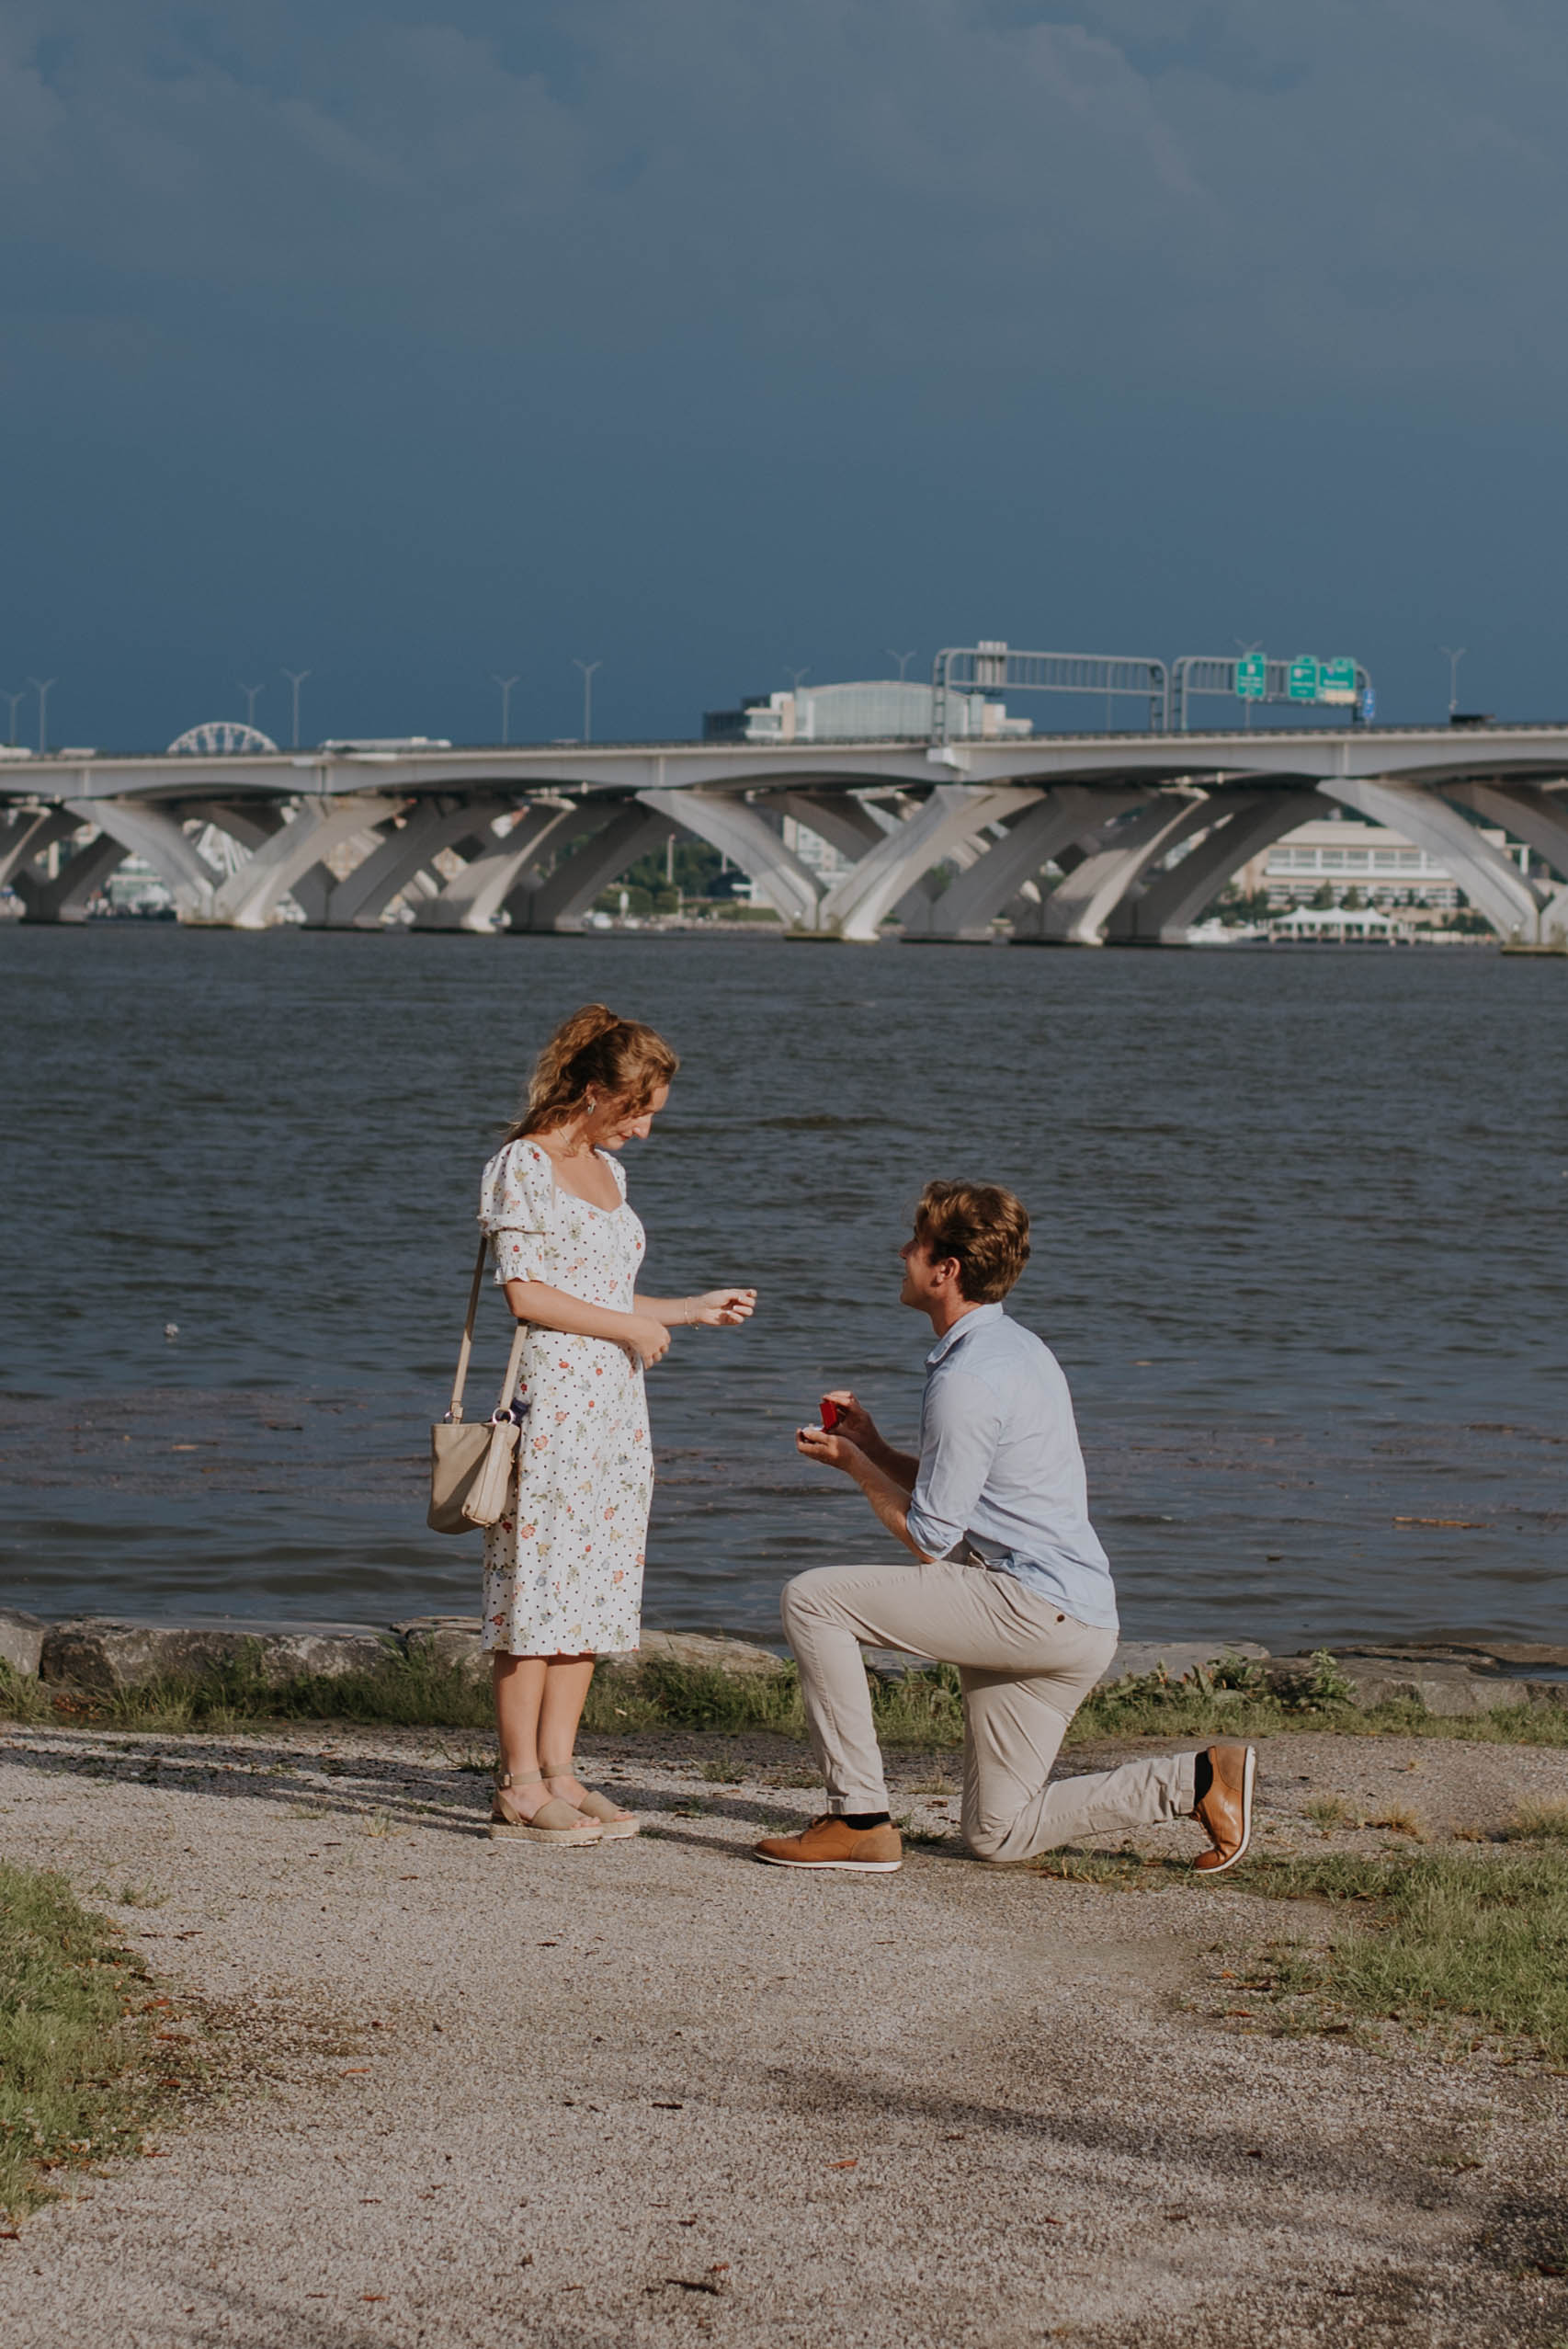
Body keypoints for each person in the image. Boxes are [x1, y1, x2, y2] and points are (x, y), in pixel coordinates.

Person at [754, 1179, 1255, 1876]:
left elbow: (930, 1538)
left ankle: (857, 1817)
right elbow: (961, 1494)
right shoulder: (1017, 1349)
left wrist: (854, 1466)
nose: (902, 1252)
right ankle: (1201, 1779)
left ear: (945, 1269)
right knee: (998, 1833)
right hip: (1076, 1621)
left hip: (1028, 1607)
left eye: (914, 1243)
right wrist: (872, 1449)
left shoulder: (966, 1377)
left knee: (812, 1598)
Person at [479, 1004, 756, 1846]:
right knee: (536, 1586)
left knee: (589, 1589)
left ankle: (561, 1768)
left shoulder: (610, 1172)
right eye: (635, 1111)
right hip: (553, 1399)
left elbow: (604, 1296)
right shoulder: (521, 1164)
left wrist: (685, 1310)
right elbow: (526, 1296)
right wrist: (633, 1329)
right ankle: (519, 1782)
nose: (642, 1130)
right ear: (594, 1091)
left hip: (614, 1405)